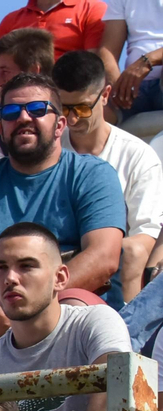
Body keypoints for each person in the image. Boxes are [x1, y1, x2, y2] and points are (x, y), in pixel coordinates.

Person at [0, 74, 126, 366]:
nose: (24, 118)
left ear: (60, 125)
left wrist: (21, 307)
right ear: (1, 128)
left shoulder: (92, 174)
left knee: (79, 303)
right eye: (12, 113)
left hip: (62, 315)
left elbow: (103, 259)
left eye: (38, 109)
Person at [0, 223, 131, 411]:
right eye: (0, 268)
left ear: (60, 278)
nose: (10, 278)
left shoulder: (95, 322)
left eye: (26, 266)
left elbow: (113, 403)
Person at [53, 50, 163, 303]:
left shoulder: (138, 156)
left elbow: (143, 238)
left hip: (107, 269)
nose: (71, 118)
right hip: (51, 258)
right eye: (64, 107)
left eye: (81, 107)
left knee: (131, 250)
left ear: (105, 96)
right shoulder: (47, 147)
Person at [99, 0, 163, 119]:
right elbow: (108, 51)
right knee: (87, 107)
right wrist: (118, 85)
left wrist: (148, 61)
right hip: (135, 89)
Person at [0, 0, 107, 60]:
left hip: (66, 94)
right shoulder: (10, 19)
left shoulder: (92, 9)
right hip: (13, 96)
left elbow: (93, 70)